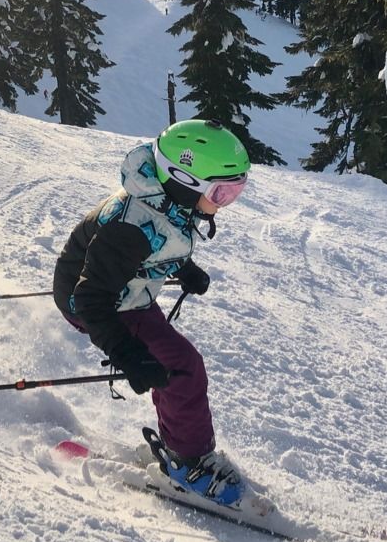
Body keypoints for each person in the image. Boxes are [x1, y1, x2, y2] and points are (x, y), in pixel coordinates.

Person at [53, 119, 251, 507]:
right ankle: (187, 466)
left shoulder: (168, 199)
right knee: (183, 368)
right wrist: (128, 355)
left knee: (173, 365)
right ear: (182, 179)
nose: (226, 202)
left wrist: (184, 268)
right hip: (99, 303)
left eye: (235, 191)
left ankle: (181, 445)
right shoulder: (131, 227)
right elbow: (91, 298)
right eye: (222, 192)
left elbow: (165, 239)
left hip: (125, 291)